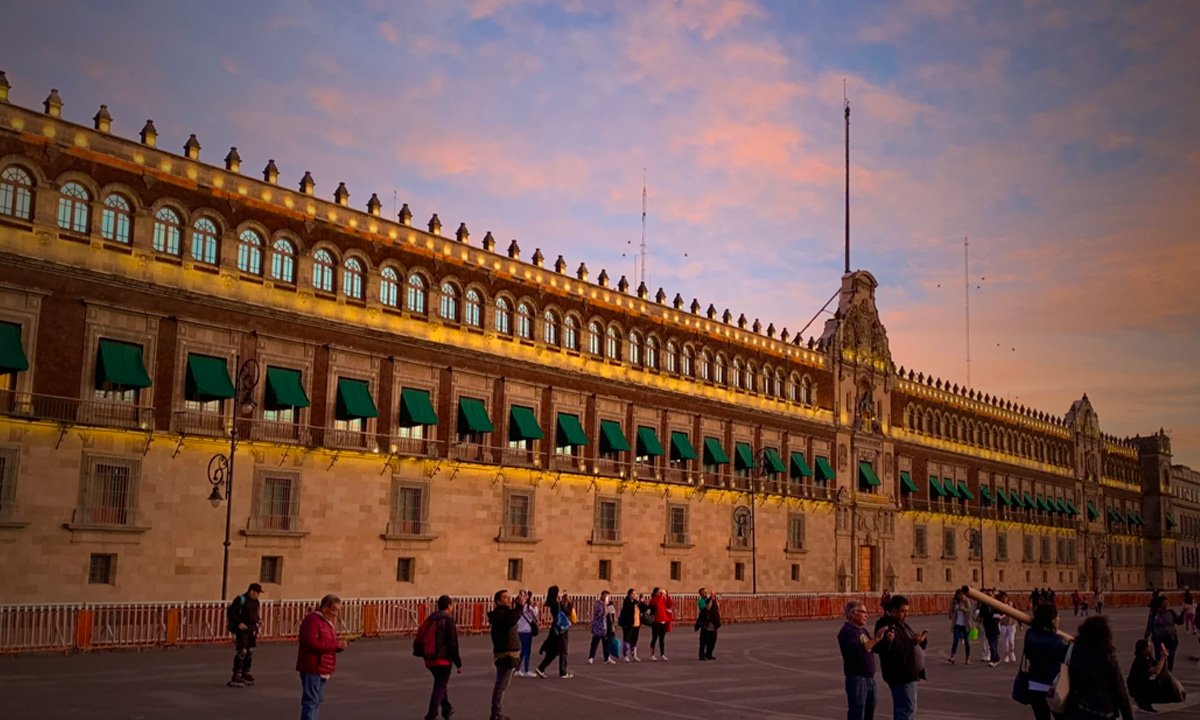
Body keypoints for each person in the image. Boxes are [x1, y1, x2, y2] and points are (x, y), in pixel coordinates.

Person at [1064, 615, 1133, 720]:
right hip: (1103, 709)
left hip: (1078, 707)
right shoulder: (1107, 655)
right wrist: (1127, 715)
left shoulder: (1073, 650)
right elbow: (1118, 687)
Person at [872, 595, 927, 720]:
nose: (906, 615)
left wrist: (920, 640)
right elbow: (896, 647)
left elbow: (910, 639)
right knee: (905, 710)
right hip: (900, 674)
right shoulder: (887, 626)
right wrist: (914, 642)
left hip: (909, 673)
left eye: (907, 611)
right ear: (893, 610)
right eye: (903, 611)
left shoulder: (902, 624)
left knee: (909, 708)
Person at [296, 594, 347, 720]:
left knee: (317, 700)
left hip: (323, 666)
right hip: (313, 666)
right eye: (334, 610)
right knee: (311, 701)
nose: (335, 614)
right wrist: (335, 644)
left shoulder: (326, 622)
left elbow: (326, 644)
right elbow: (311, 643)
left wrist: (338, 646)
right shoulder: (313, 621)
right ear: (325, 608)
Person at [839, 599, 892, 720]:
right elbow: (858, 651)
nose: (867, 615)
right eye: (863, 612)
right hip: (857, 679)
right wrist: (876, 638)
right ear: (853, 613)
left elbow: (872, 648)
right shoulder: (847, 632)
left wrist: (886, 640)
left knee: (869, 714)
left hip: (869, 679)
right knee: (857, 713)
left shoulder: (863, 631)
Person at [1020, 602, 1070, 720]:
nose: (1059, 619)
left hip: (1034, 686)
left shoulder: (1030, 635)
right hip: (1054, 689)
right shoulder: (1060, 641)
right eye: (1057, 616)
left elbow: (1028, 654)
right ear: (1052, 620)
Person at [417, 595, 463, 720]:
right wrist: (458, 663)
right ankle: (432, 713)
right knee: (440, 685)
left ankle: (446, 709)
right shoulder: (447, 621)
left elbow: (420, 636)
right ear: (448, 606)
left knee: (441, 683)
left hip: (429, 657)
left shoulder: (431, 619)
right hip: (442, 659)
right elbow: (452, 643)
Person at [487, 589, 523, 720]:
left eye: (509, 597)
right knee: (501, 686)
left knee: (502, 685)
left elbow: (513, 617)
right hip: (506, 654)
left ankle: (496, 712)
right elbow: (513, 619)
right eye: (505, 598)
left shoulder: (503, 614)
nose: (508, 599)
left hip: (507, 653)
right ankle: (496, 713)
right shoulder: (501, 615)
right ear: (498, 601)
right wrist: (520, 606)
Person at [226, 582, 262, 687]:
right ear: (251, 591)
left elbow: (255, 614)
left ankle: (246, 672)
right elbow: (233, 613)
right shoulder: (240, 600)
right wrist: (239, 623)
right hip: (242, 630)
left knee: (250, 651)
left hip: (252, 629)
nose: (258, 595)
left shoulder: (256, 602)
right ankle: (237, 674)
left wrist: (259, 620)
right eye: (257, 592)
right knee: (242, 651)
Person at [536, 585, 573, 678]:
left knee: (554, 651)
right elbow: (568, 612)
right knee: (563, 650)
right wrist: (570, 603)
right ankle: (563, 672)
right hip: (561, 629)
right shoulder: (557, 604)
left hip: (555, 628)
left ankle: (541, 668)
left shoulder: (552, 604)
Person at [1144, 595, 1185, 671]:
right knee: (1159, 658)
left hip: (1171, 639)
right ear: (1159, 604)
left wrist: (1182, 614)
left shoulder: (1171, 613)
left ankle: (1169, 673)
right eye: (1164, 602)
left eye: (1167, 602)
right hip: (1159, 640)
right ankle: (1160, 672)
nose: (1166, 604)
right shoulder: (1154, 614)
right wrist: (1146, 637)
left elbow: (1180, 622)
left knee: (1170, 658)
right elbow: (1149, 626)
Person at [1127, 639, 1169, 713]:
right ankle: (1142, 702)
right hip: (1135, 686)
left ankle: (1145, 701)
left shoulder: (1149, 659)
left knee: (1161, 682)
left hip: (1143, 684)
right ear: (1143, 650)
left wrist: (1164, 658)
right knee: (1155, 686)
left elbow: (1161, 668)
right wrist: (1163, 658)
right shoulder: (1140, 660)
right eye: (1149, 647)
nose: (1151, 648)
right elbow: (1156, 671)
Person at [618, 588, 647, 662]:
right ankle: (625, 655)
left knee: (635, 639)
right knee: (627, 639)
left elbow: (644, 610)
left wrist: (642, 602)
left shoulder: (637, 603)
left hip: (637, 623)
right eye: (633, 594)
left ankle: (634, 654)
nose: (634, 595)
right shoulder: (627, 602)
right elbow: (627, 610)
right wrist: (636, 601)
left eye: (635, 594)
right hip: (628, 623)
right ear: (629, 595)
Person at [588, 590, 616, 664]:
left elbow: (611, 615)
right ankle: (591, 657)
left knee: (606, 643)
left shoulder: (608, 605)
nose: (607, 598)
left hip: (606, 627)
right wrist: (604, 607)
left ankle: (607, 657)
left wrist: (611, 610)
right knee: (595, 642)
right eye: (606, 596)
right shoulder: (598, 604)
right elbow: (599, 614)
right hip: (598, 626)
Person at [515, 590, 539, 677]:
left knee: (522, 651)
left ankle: (517, 669)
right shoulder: (528, 607)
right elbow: (535, 615)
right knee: (527, 651)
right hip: (527, 631)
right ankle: (526, 670)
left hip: (520, 630)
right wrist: (536, 606)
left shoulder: (520, 607)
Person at [648, 587, 675, 661]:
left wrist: (667, 596)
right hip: (656, 621)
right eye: (659, 592)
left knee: (662, 639)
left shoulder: (663, 599)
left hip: (663, 620)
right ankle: (652, 654)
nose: (661, 594)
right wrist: (661, 596)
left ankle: (662, 654)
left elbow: (670, 605)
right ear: (655, 593)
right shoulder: (653, 600)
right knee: (654, 638)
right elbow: (657, 604)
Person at [696, 588, 721, 660]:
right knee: (704, 640)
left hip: (713, 622)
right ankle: (701, 654)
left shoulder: (711, 599)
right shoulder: (701, 601)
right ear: (700, 594)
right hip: (705, 622)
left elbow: (717, 607)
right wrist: (711, 599)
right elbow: (707, 608)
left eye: (706, 592)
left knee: (713, 639)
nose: (705, 593)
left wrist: (714, 599)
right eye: (703, 592)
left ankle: (709, 653)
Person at [948, 589, 972, 664]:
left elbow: (970, 611)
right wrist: (952, 615)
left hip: (965, 624)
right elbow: (951, 611)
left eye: (963, 595)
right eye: (960, 595)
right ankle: (952, 656)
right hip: (957, 624)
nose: (962, 596)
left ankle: (967, 657)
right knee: (955, 641)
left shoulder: (967, 601)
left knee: (967, 642)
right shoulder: (954, 602)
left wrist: (964, 609)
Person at [979, 590, 1001, 668]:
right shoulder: (983, 605)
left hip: (994, 626)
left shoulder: (996, 605)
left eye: (990, 595)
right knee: (991, 643)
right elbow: (981, 615)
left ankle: (993, 660)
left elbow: (1001, 613)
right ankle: (997, 658)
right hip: (987, 626)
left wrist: (997, 617)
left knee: (993, 644)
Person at [997, 591, 1018, 663]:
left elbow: (1017, 613)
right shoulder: (999, 605)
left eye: (1005, 598)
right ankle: (1006, 654)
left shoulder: (1011, 604)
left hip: (1011, 624)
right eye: (1003, 598)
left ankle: (1012, 651)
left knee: (1011, 640)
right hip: (1003, 624)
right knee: (1004, 641)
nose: (1004, 599)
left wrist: (1020, 624)